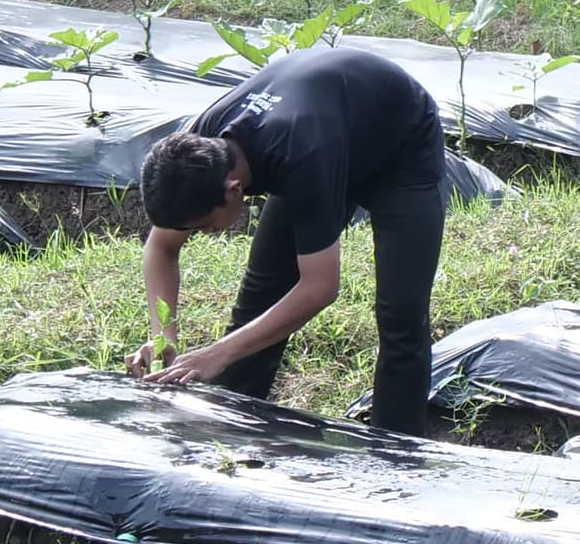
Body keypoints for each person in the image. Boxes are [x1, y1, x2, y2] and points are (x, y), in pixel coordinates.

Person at [136, 44, 452, 434]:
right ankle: (227, 438)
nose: (205, 235)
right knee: (260, 299)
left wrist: (217, 353)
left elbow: (320, 287)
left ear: (234, 189)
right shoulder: (198, 149)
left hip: (399, 148)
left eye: (205, 226)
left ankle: (397, 453)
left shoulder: (303, 154)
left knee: (400, 313)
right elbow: (160, 247)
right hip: (328, 125)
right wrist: (163, 336)